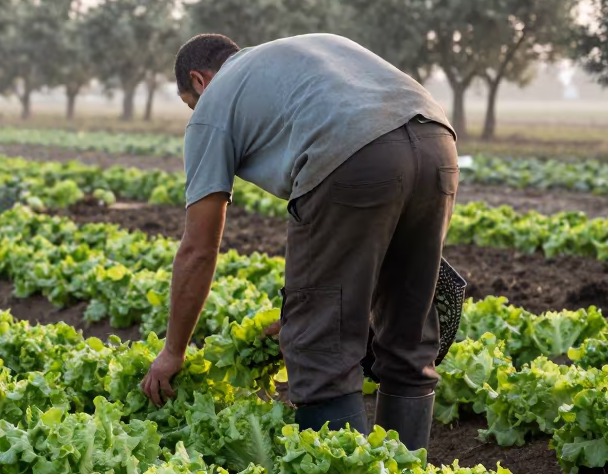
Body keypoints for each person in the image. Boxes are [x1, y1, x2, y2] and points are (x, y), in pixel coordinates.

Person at [139, 33, 458, 452]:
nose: (194, 113)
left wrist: (173, 351)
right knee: (408, 337)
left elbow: (199, 246)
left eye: (189, 103)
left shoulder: (214, 103)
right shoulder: (299, 55)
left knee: (319, 350)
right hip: (437, 142)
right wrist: (317, 307)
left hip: (350, 155)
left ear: (199, 81)